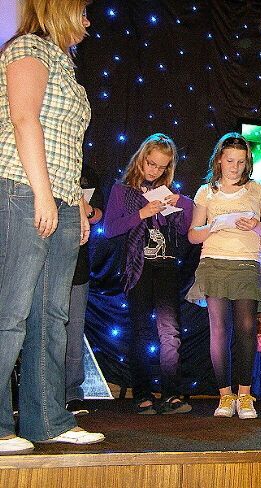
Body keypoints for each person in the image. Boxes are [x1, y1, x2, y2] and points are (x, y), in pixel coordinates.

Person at [0, 0, 104, 454]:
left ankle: (47, 420)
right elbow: (24, 119)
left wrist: (76, 204)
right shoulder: (28, 47)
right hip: (23, 189)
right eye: (82, 10)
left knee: (52, 315)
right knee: (10, 313)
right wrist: (43, 193)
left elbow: (69, 146)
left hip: (60, 197)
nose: (88, 20)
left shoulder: (65, 64)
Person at [104, 133, 193, 415]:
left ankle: (172, 393)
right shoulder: (122, 190)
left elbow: (185, 231)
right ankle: (142, 393)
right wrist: (142, 213)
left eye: (161, 167)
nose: (154, 171)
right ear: (141, 158)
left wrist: (182, 203)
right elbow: (110, 229)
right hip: (137, 266)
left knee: (170, 331)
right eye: (151, 164)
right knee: (141, 330)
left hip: (166, 265)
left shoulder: (167, 191)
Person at [187, 133, 261, 419]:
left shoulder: (258, 190)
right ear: (219, 160)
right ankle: (225, 396)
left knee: (246, 327)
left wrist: (256, 225)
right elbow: (193, 235)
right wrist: (214, 225)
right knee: (219, 330)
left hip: (247, 263)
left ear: (247, 163)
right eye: (230, 160)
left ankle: (245, 395)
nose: (235, 167)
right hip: (214, 262)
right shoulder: (206, 192)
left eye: (241, 162)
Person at [65, 165, 104, 416]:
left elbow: (98, 215)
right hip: (44, 256)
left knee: (74, 329)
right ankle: (39, 393)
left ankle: (72, 393)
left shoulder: (88, 172)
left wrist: (84, 207)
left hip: (77, 263)